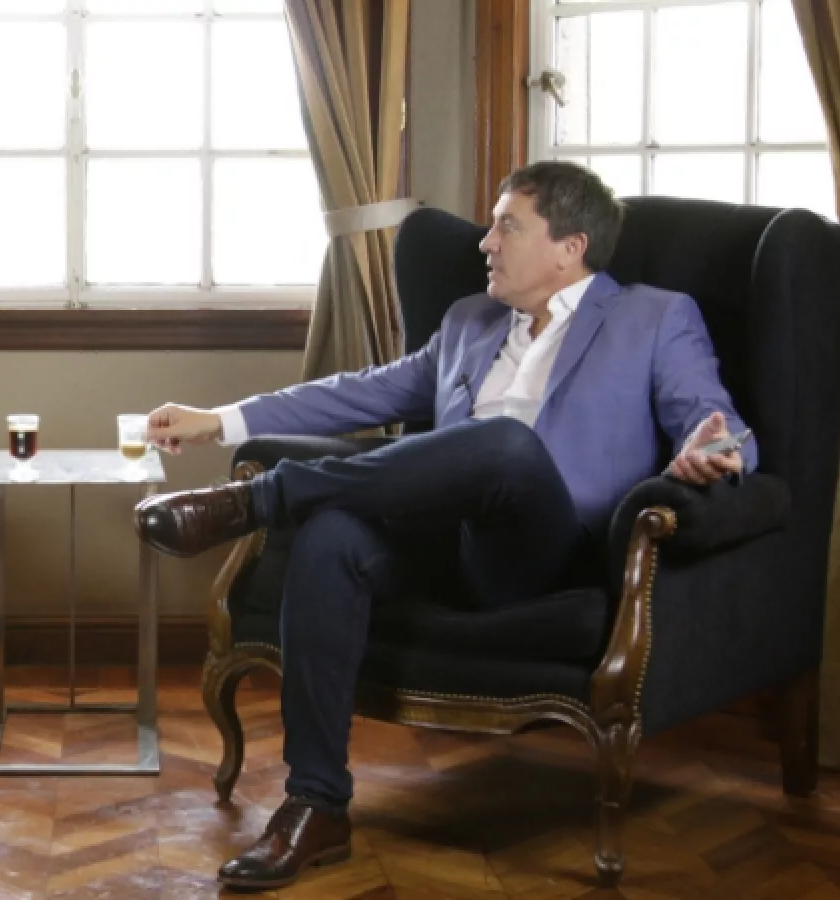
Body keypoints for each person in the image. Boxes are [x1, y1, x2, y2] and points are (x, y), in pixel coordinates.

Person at [135, 160, 751, 890]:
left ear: (570, 246)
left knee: (504, 444)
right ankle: (316, 805)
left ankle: (262, 499)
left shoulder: (655, 317)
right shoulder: (468, 321)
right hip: (439, 540)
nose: (485, 243)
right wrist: (218, 421)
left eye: (507, 226)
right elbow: (359, 393)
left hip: (547, 551)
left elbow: (721, 426)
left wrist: (713, 452)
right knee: (332, 539)